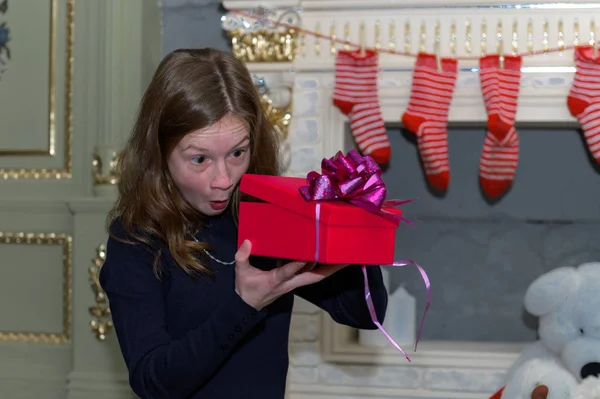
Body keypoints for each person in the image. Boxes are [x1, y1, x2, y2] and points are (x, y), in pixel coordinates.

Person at [99, 48, 388, 399]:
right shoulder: (136, 240)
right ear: (160, 154)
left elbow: (365, 314)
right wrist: (244, 304)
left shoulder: (267, 215)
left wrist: (352, 221)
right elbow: (153, 382)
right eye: (200, 159)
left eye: (237, 153)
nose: (223, 179)